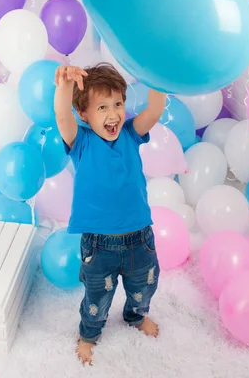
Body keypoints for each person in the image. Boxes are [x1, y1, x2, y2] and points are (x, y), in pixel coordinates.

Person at [54, 62, 167, 365]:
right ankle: (89, 335)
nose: (113, 114)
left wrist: (158, 73)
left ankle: (135, 316)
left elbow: (155, 110)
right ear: (85, 115)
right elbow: (62, 115)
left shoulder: (131, 134)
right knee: (97, 300)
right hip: (99, 245)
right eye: (102, 107)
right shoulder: (82, 142)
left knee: (144, 287)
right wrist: (65, 86)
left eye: (118, 104)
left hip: (139, 239)